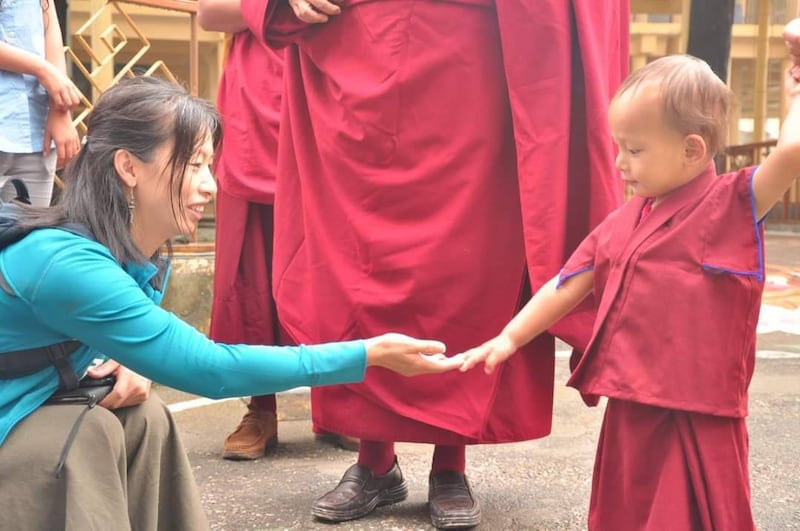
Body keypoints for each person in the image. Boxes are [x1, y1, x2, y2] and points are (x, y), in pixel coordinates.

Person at [0, 76, 463, 530]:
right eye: (194, 164)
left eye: (210, 166)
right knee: (90, 433)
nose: (210, 186)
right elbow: (211, 368)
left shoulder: (136, 256)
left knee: (144, 416)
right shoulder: (64, 261)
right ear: (128, 167)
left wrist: (124, 356)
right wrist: (367, 356)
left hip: (27, 405)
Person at [240, 0, 629, 527]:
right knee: (357, 262)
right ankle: (373, 461)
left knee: (467, 263)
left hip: (472, 56)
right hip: (357, 51)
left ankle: (451, 462)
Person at [458, 38, 800, 530]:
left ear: (692, 149)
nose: (620, 163)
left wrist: (792, 96)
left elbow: (789, 153)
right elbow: (569, 281)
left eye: (634, 150)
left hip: (698, 412)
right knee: (628, 511)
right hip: (632, 406)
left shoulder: (732, 205)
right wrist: (509, 338)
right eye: (619, 146)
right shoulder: (626, 219)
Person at [197, 0, 356, 462]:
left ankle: (339, 402)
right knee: (251, 269)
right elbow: (209, 13)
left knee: (331, 263)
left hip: (331, 93)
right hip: (254, 106)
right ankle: (260, 408)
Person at [0, 0, 81, 206]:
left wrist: (59, 110)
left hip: (34, 132)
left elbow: (49, 25)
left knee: (28, 236)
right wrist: (42, 70)